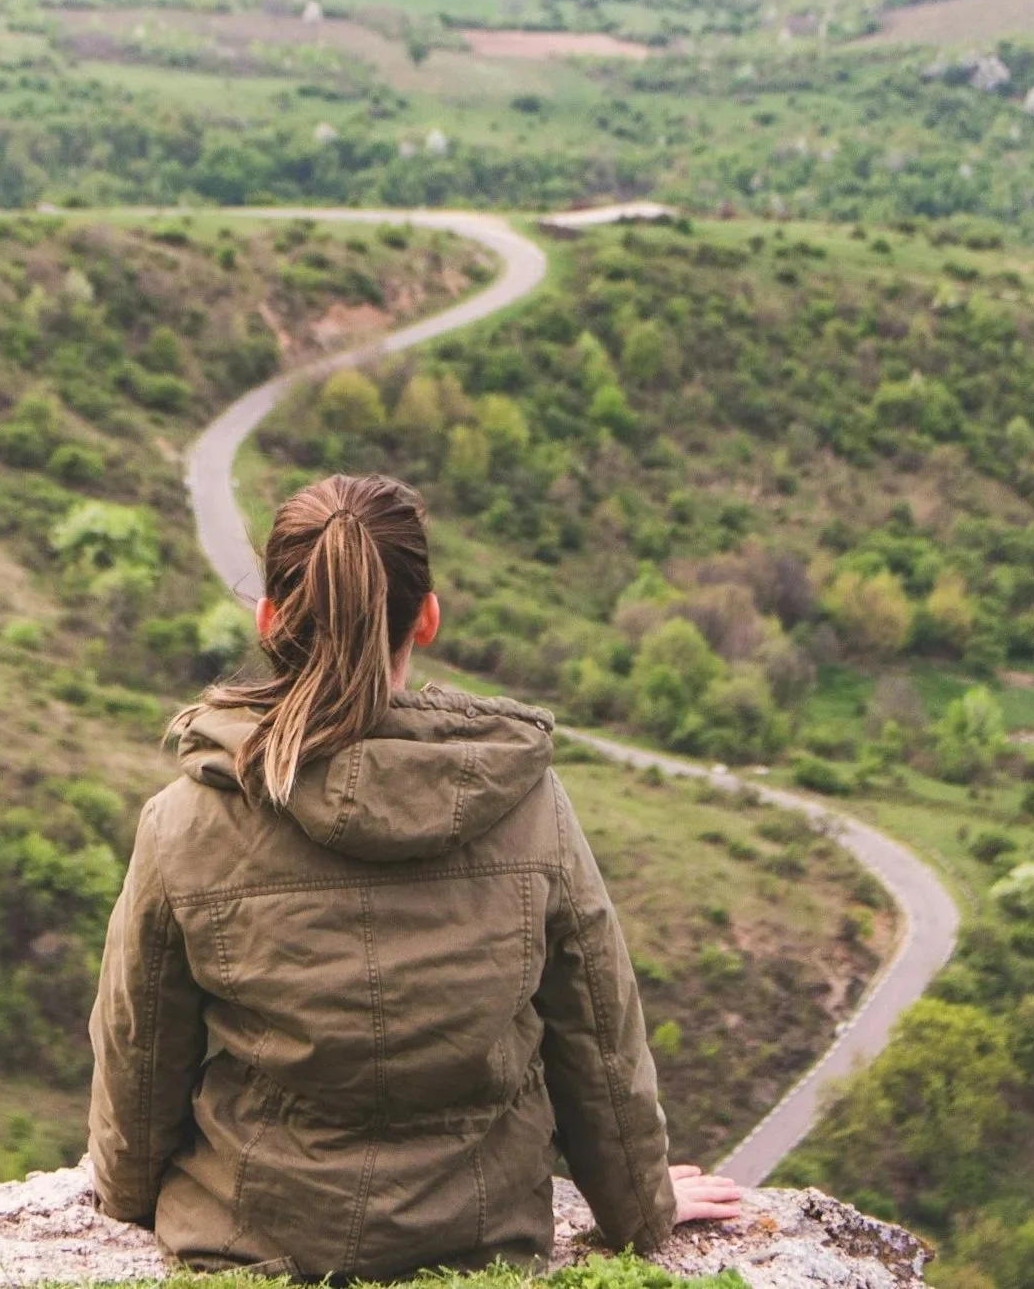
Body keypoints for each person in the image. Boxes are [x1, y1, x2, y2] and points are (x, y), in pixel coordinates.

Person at [88, 473, 739, 1280]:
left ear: (268, 620)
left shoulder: (183, 820)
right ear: (426, 616)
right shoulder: (526, 803)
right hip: (478, 1242)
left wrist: (123, 1195)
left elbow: (140, 1048)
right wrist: (641, 1210)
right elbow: (596, 1037)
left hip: (246, 1244)